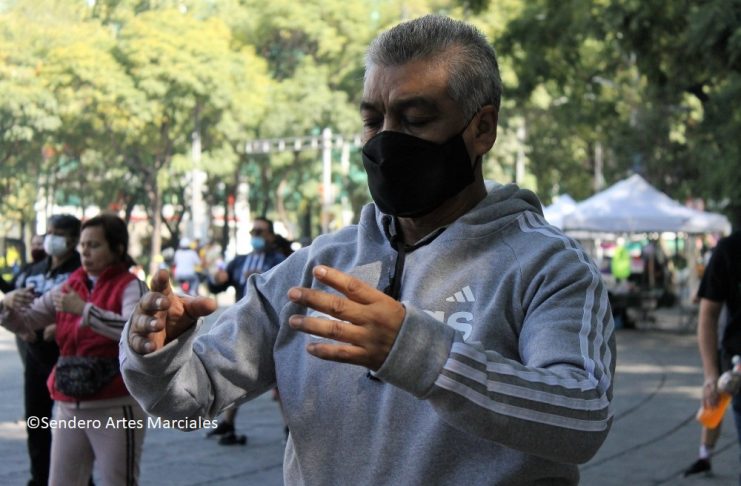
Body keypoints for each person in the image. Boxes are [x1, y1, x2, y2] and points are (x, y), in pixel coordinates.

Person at [121, 15, 615, 485]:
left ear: (482, 128)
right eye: (373, 120)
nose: (387, 141)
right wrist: (159, 354)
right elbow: (189, 401)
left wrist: (419, 354)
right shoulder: (317, 267)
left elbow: (582, 416)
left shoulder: (547, 267)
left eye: (415, 119)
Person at [1, 214, 148, 486]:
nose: (86, 252)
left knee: (119, 481)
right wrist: (5, 307)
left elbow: (133, 332)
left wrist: (84, 311)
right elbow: (28, 321)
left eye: (95, 245)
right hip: (69, 403)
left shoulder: (130, 285)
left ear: (117, 248)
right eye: (83, 245)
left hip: (115, 405)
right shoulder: (71, 285)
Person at [0, 218, 82, 486]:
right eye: (49, 233)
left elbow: (94, 308)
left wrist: (61, 326)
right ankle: (39, 477)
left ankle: (80, 479)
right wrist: (12, 307)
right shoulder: (33, 269)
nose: (51, 239)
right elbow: (12, 298)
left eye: (59, 234)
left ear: (73, 239)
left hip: (71, 358)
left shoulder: (81, 271)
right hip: (35, 357)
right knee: (36, 421)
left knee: (75, 426)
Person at [206, 217, 288, 445]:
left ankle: (289, 428)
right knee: (235, 374)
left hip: (273, 325)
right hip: (242, 325)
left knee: (281, 380)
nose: (256, 236)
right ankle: (228, 423)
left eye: (260, 231)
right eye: (253, 231)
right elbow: (218, 285)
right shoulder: (240, 261)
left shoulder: (278, 260)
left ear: (271, 235)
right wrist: (216, 278)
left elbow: (285, 286)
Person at [684, 230, 741, 477]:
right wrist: (710, 375)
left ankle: (704, 455)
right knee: (715, 400)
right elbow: (707, 314)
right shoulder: (730, 250)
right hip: (736, 364)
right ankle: (704, 454)